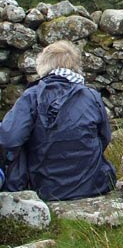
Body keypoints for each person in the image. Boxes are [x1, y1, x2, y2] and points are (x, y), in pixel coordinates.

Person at [0, 40, 116, 201]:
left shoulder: (32, 96)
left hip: (44, 189)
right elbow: (105, 138)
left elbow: (8, 139)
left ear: (44, 65)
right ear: (75, 66)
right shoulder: (92, 96)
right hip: (92, 186)